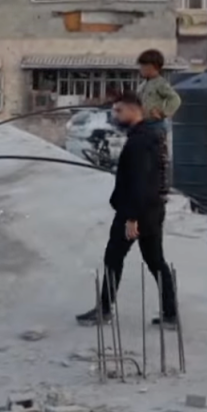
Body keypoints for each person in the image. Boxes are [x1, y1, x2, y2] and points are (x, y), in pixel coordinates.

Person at [76, 91, 177, 328]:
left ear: (134, 110)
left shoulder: (140, 140)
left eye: (119, 110)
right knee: (155, 262)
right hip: (151, 210)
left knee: (114, 257)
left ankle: (104, 310)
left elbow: (141, 182)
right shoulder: (147, 135)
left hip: (136, 211)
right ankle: (170, 314)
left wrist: (132, 218)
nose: (115, 115)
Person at [136, 49, 182, 198]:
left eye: (144, 67)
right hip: (143, 125)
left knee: (159, 158)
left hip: (156, 126)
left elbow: (175, 99)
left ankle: (161, 191)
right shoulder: (143, 85)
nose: (141, 70)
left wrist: (163, 112)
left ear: (153, 67)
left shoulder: (160, 84)